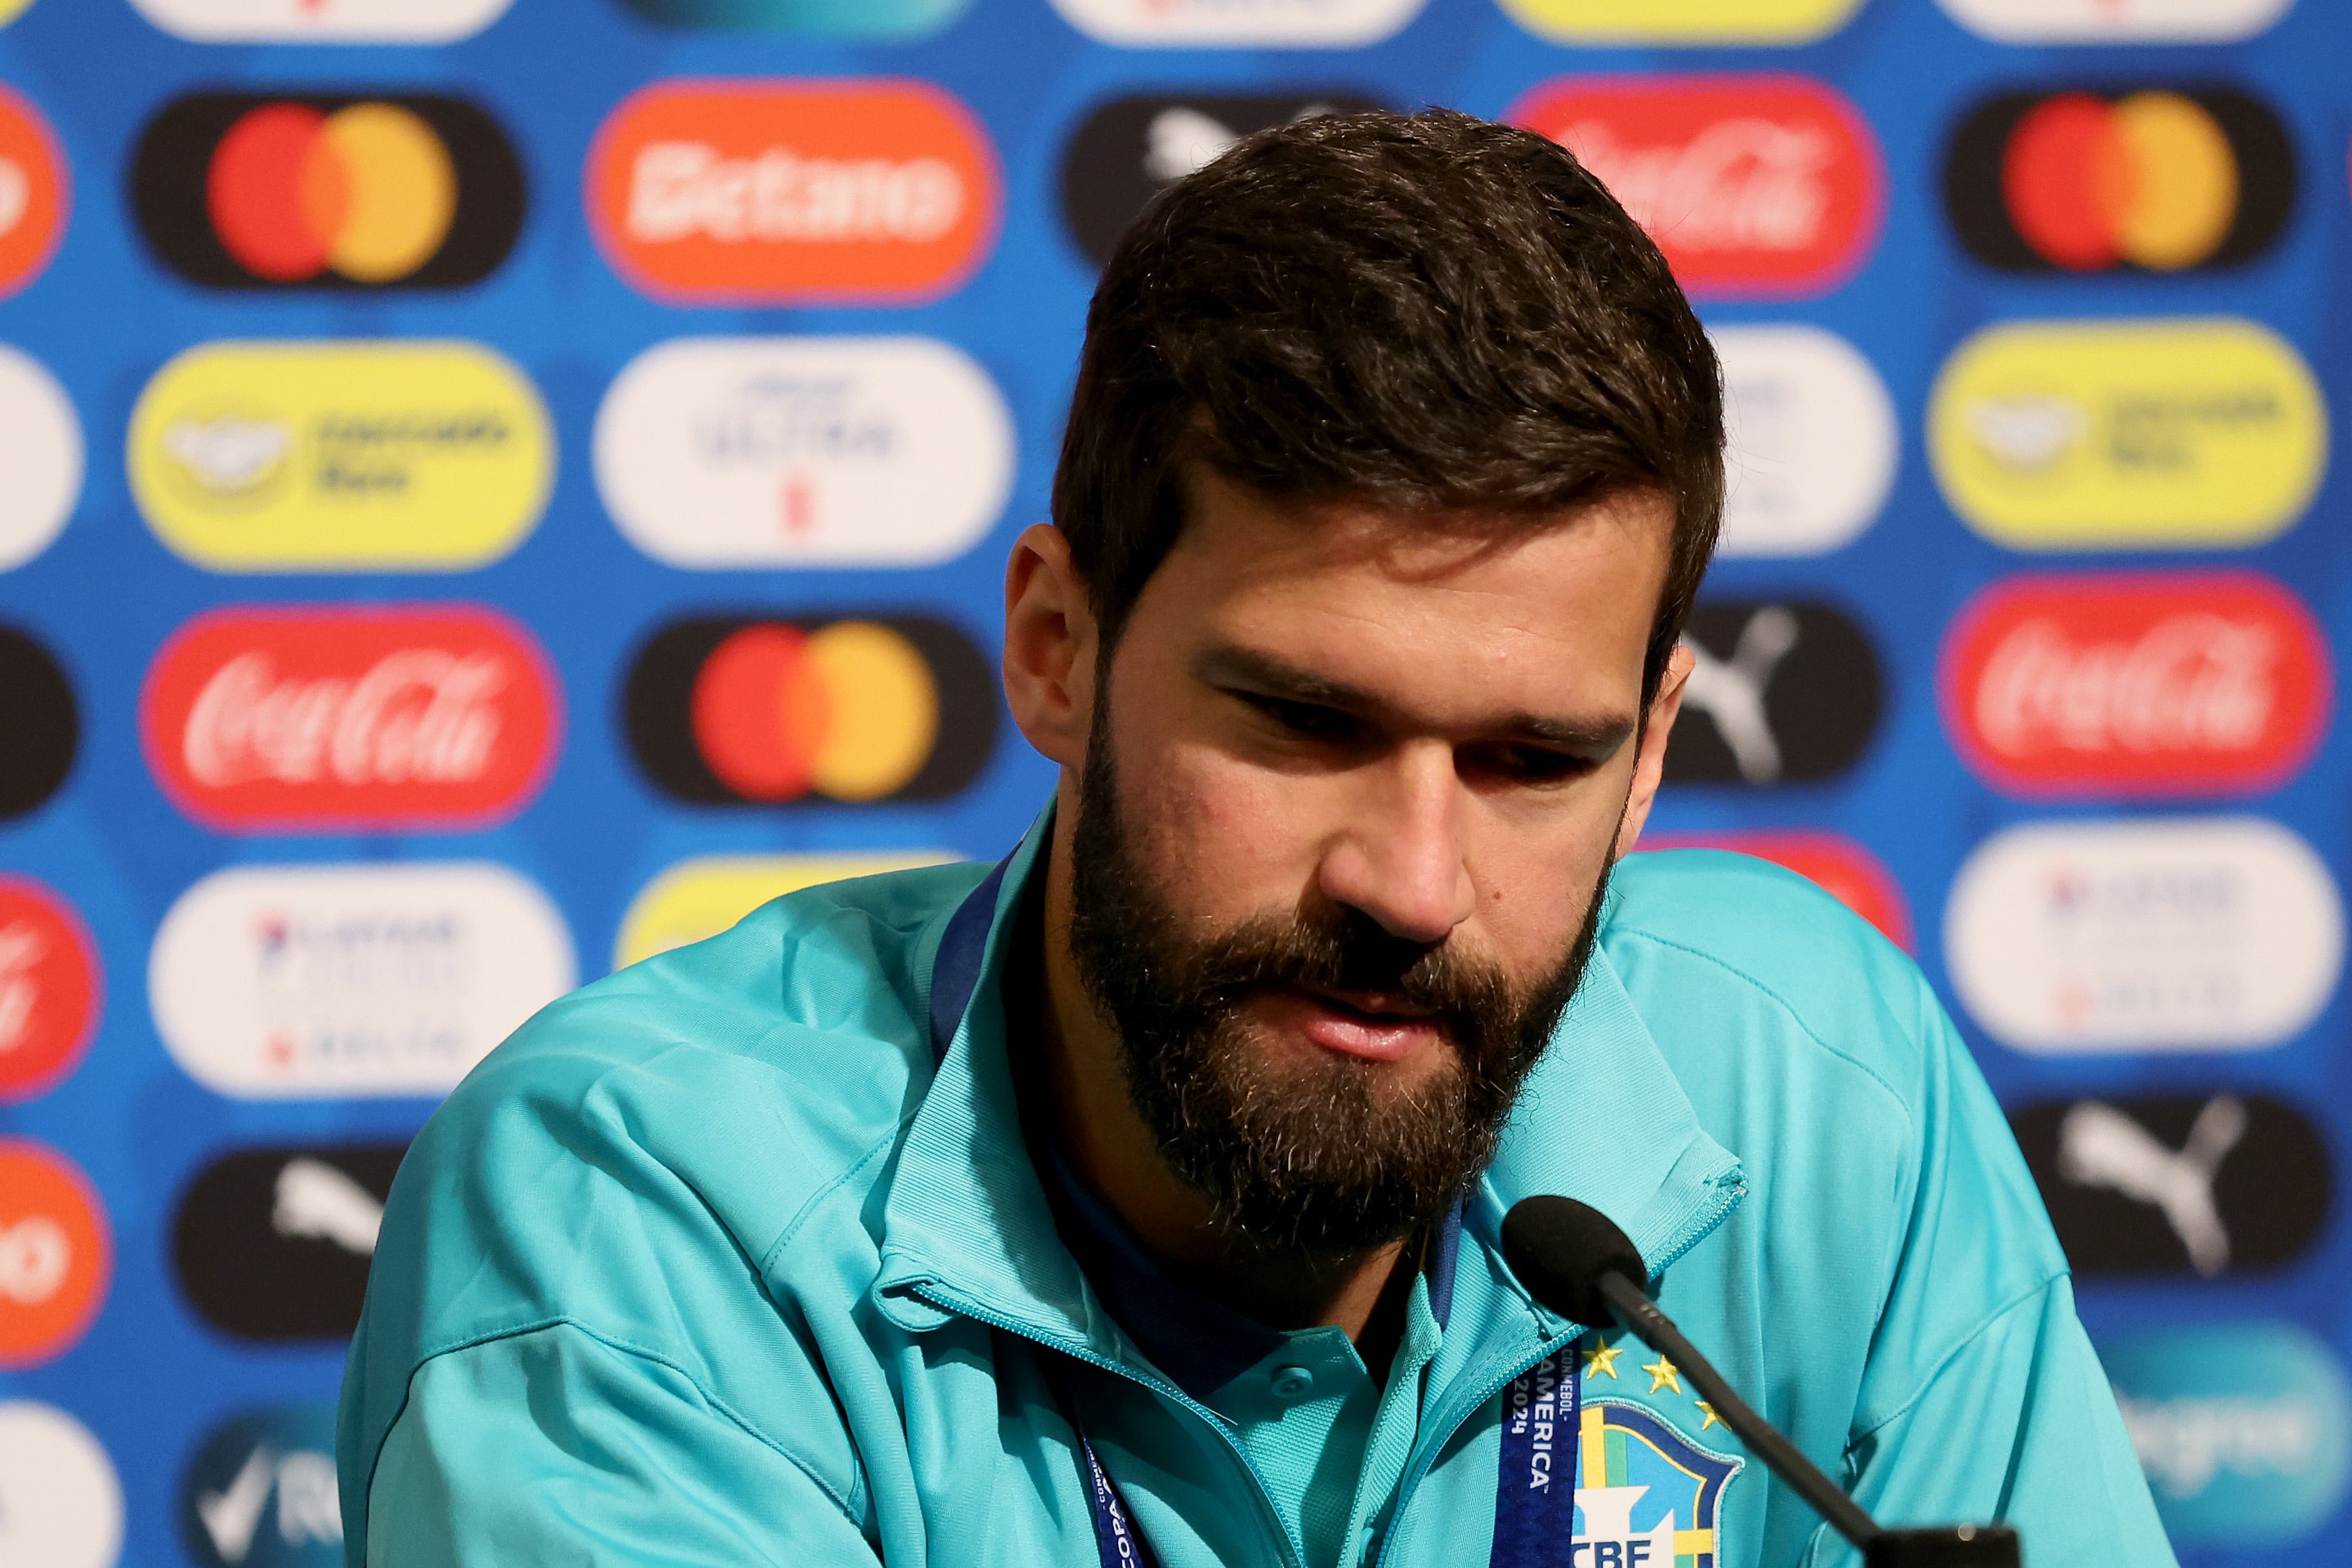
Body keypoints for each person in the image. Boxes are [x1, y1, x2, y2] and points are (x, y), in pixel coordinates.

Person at [339, 110, 2173, 1568]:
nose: (1410, 879)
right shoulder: (647, 1212)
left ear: (1652, 750)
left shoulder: (1816, 1093)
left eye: (1535, 758)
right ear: (1058, 649)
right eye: (1306, 721)